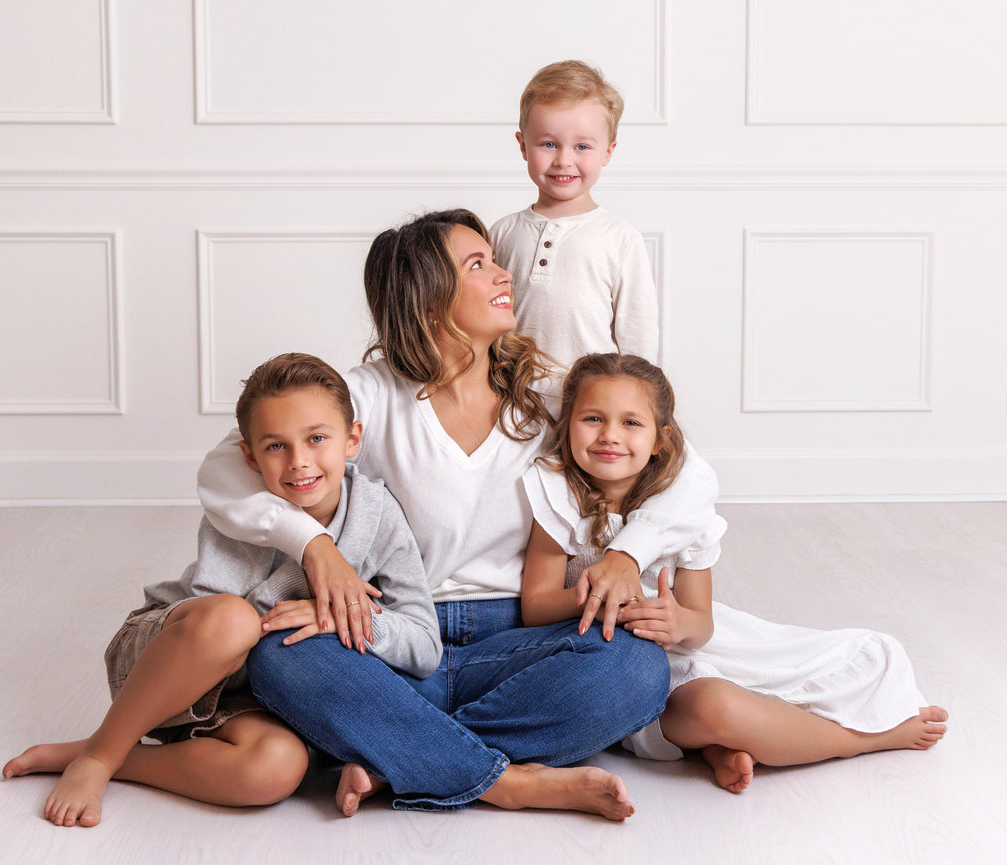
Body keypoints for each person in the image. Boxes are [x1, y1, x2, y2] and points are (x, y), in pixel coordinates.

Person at [197, 209, 721, 819]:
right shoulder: (363, 394)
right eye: (479, 264)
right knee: (281, 652)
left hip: (522, 639)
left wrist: (631, 550)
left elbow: (690, 471)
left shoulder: (550, 393)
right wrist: (314, 545)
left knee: (634, 667)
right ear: (428, 300)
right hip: (384, 633)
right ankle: (503, 781)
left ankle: (398, 757)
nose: (505, 274)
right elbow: (221, 470)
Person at [2, 352, 441, 826]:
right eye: (276, 446)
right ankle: (99, 758)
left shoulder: (379, 515)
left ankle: (113, 755)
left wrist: (338, 617)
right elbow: (220, 632)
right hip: (173, 661)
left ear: (352, 439)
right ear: (249, 455)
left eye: (317, 439)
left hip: (254, 696)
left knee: (277, 771)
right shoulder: (246, 508)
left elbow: (425, 645)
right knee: (236, 621)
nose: (299, 463)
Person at [521, 353, 949, 793]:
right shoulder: (560, 498)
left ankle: (836, 739)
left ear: (660, 441)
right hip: (621, 678)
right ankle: (852, 742)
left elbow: (701, 624)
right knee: (717, 711)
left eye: (631, 423)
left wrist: (679, 621)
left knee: (841, 664)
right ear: (567, 423)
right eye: (593, 418)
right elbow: (533, 607)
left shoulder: (682, 510)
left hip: (685, 663)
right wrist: (604, 598)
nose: (610, 435)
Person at [489, 59, 658, 382]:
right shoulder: (503, 233)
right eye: (548, 144)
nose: (563, 160)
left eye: (582, 146)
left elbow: (637, 336)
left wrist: (633, 400)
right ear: (523, 145)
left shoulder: (619, 238)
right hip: (511, 399)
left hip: (588, 406)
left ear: (608, 152)